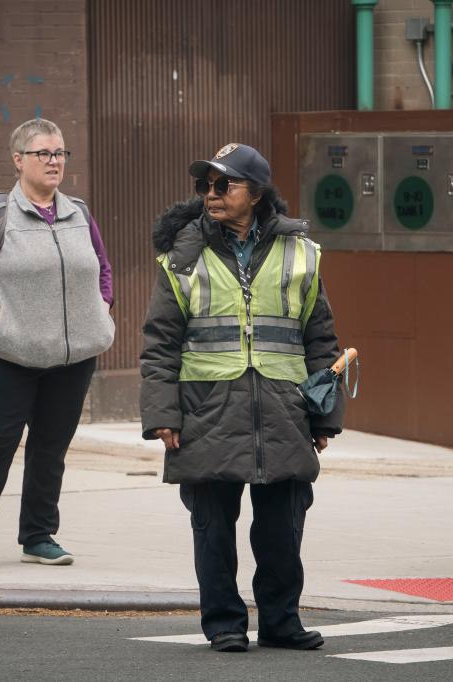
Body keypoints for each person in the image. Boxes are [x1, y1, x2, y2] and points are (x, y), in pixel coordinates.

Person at [139, 143, 344, 653]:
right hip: (207, 409)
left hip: (285, 409)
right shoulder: (182, 256)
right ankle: (225, 623)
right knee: (212, 528)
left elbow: (321, 339)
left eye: (223, 184)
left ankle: (280, 621)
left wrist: (325, 414)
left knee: (281, 527)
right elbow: (160, 342)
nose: (211, 194)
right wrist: (162, 413)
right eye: (205, 185)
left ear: (255, 193)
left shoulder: (301, 253)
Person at [0, 118, 115, 571]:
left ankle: (38, 535)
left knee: (50, 445)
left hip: (70, 356)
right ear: (19, 160)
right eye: (44, 153)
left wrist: (101, 306)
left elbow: (102, 266)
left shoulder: (80, 213)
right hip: (6, 353)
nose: (55, 161)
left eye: (60, 153)